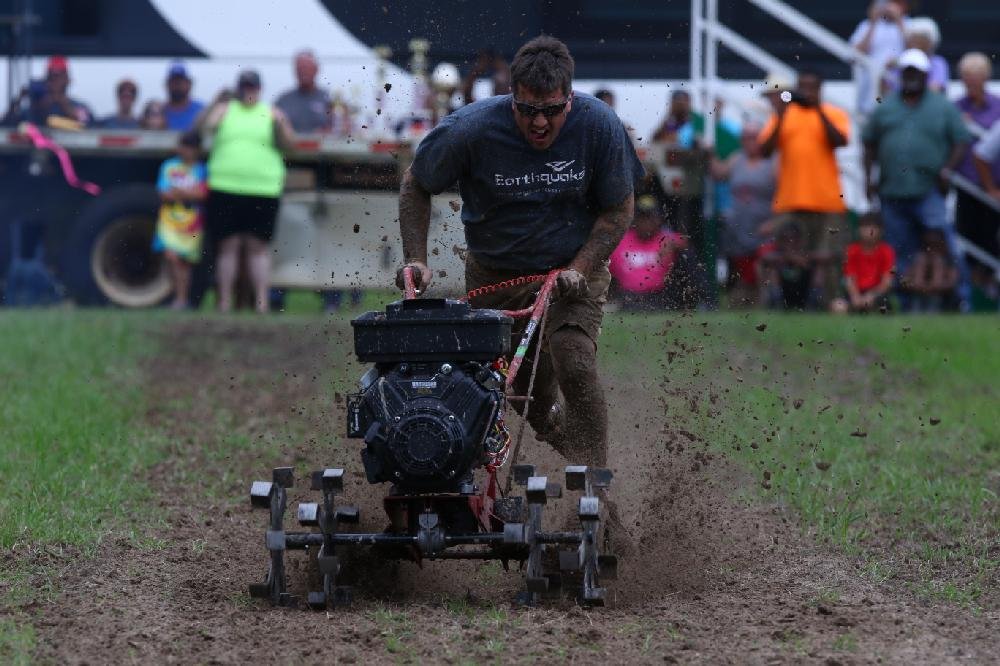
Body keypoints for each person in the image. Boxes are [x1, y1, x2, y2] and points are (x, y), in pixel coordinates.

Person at [396, 36, 643, 554]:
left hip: (572, 271)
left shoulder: (599, 127)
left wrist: (579, 268)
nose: (538, 124)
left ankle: (595, 493)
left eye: (550, 112)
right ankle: (567, 438)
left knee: (575, 361)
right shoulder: (471, 128)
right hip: (497, 275)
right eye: (528, 110)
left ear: (568, 100)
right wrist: (416, 257)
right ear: (513, 97)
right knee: (519, 392)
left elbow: (619, 210)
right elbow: (416, 184)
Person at [863, 49, 972, 308]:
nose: (911, 77)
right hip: (892, 190)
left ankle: (962, 301)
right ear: (901, 74)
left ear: (925, 75)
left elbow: (961, 140)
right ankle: (904, 304)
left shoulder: (941, 105)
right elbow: (869, 144)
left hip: (928, 189)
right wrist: (868, 178)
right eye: (907, 72)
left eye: (916, 72)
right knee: (899, 250)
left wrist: (947, 169)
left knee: (947, 245)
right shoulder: (886, 105)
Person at [202, 70, 295, 313]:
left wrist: (280, 123)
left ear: (259, 88)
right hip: (225, 186)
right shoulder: (224, 110)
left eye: (252, 87)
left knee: (258, 248)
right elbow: (204, 129)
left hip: (262, 188)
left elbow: (289, 144)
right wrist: (217, 103)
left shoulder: (271, 112)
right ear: (239, 88)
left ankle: (261, 304)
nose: (248, 91)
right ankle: (224, 303)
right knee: (227, 247)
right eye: (244, 86)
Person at [758, 69, 850, 310]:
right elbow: (765, 150)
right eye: (803, 87)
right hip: (789, 201)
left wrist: (817, 109)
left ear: (820, 90)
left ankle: (829, 305)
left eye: (812, 87)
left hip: (827, 201)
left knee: (828, 258)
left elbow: (840, 141)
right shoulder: (785, 114)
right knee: (779, 257)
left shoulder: (833, 113)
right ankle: (778, 304)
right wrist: (782, 115)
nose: (807, 92)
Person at [711, 122, 776, 307]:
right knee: (744, 271)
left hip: (765, 227)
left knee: (763, 265)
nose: (750, 142)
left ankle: (768, 303)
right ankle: (745, 302)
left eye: (754, 137)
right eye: (745, 138)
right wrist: (709, 154)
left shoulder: (772, 161)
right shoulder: (736, 159)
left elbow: (785, 192)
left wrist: (776, 222)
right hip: (740, 228)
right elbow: (719, 173)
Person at [955, 52, 1000, 290]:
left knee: (990, 235)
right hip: (968, 185)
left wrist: (992, 187)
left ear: (986, 77)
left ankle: (989, 282)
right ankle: (972, 288)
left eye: (975, 77)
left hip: (994, 185)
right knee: (968, 233)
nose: (970, 82)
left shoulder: (998, 107)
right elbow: (979, 154)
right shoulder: (955, 108)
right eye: (966, 77)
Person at [154, 130, 208, 310]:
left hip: (191, 223)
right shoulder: (169, 166)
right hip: (169, 220)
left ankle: (181, 298)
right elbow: (163, 192)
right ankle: (178, 298)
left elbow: (202, 194)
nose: (185, 150)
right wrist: (187, 194)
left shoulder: (201, 169)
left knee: (185, 261)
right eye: (183, 146)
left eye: (190, 147)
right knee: (172, 256)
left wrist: (178, 193)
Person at [608, 194, 688, 311]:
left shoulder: (665, 238)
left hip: (659, 295)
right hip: (628, 297)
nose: (646, 223)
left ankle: (699, 302)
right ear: (635, 220)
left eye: (650, 218)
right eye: (642, 218)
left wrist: (674, 244)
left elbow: (686, 243)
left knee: (687, 258)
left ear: (658, 219)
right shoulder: (622, 240)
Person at [849, 1, 910, 115]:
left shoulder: (909, 24)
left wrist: (899, 20)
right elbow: (855, 55)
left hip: (899, 94)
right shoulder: (866, 26)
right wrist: (873, 22)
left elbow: (914, 50)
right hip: (870, 95)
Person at [841, 214, 895, 313]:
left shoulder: (886, 251)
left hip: (877, 294)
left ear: (881, 231)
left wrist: (871, 296)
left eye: (873, 227)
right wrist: (855, 297)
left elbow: (887, 281)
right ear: (858, 230)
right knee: (838, 307)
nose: (868, 231)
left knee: (883, 309)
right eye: (865, 227)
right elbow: (849, 278)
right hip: (856, 292)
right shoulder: (852, 250)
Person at [902, 229, 959, 312]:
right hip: (918, 295)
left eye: (935, 246)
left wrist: (935, 283)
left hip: (941, 298)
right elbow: (904, 280)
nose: (932, 250)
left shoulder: (948, 261)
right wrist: (919, 284)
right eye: (928, 246)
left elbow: (952, 283)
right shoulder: (919, 260)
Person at [275, 50, 332, 133]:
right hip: (290, 145)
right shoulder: (283, 101)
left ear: (316, 70)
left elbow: (337, 128)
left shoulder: (328, 99)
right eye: (300, 69)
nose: (303, 72)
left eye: (306, 68)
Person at [759, 223, 812, 310]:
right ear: (780, 240)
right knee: (772, 269)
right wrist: (789, 257)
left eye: (794, 238)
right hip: (781, 293)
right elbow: (765, 258)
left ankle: (813, 304)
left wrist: (802, 260)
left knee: (819, 270)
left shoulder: (804, 253)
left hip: (802, 292)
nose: (790, 242)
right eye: (786, 239)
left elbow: (826, 256)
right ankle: (777, 305)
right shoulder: (775, 251)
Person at [36, 56, 93, 127]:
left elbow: (88, 124)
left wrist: (66, 106)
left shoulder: (80, 107)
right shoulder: (37, 105)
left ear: (67, 80)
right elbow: (22, 122)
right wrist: (39, 109)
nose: (55, 82)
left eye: (59, 77)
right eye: (51, 77)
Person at [897, 17, 947, 93]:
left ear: (931, 43)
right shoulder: (900, 62)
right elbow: (885, 95)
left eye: (921, 40)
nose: (916, 44)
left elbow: (935, 90)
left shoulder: (938, 63)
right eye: (913, 39)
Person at [163, 62, 205, 131]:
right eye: (173, 82)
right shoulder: (159, 112)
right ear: (167, 84)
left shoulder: (201, 110)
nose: (176, 86)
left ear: (189, 84)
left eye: (180, 82)